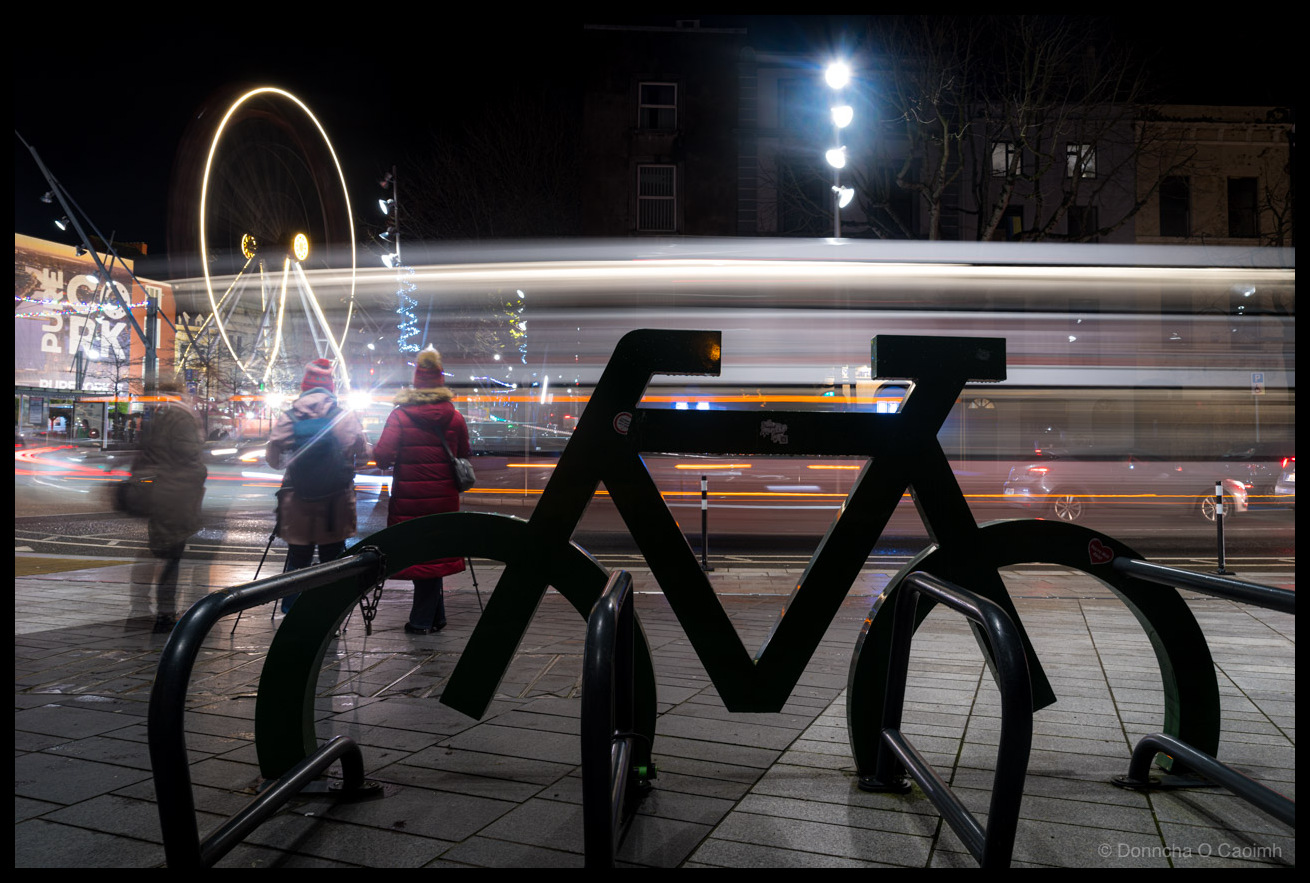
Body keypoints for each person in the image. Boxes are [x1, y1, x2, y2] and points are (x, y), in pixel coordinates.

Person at [373, 346, 470, 634]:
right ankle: (434, 617)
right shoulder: (454, 417)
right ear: (440, 380)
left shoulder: (400, 416)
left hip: (409, 499)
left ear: (416, 380)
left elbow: (382, 457)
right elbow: (464, 452)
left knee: (419, 553)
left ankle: (420, 622)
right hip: (444, 499)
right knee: (435, 552)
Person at [265, 358, 371, 612]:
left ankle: (292, 613)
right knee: (333, 560)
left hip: (296, 498)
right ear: (330, 388)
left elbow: (273, 458)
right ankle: (327, 616)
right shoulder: (344, 416)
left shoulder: (288, 418)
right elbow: (365, 455)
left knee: (297, 560)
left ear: (304, 387)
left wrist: (292, 464)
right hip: (336, 501)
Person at [129, 377, 208, 633]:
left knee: (157, 553)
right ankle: (164, 614)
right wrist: (200, 472)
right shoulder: (180, 417)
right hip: (176, 495)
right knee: (171, 555)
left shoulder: (160, 416)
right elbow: (188, 455)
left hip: (160, 492)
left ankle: (141, 608)